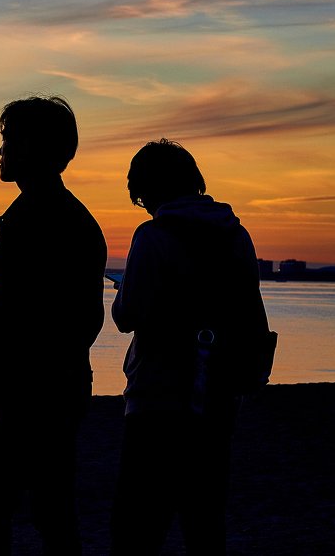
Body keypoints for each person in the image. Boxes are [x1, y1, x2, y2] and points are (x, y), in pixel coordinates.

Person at [110, 139, 269, 555]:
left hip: (157, 398)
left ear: (146, 188)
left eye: (140, 194)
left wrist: (125, 289)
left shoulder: (153, 236)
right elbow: (249, 307)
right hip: (219, 394)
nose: (142, 205)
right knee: (205, 517)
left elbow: (127, 315)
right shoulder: (236, 235)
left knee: (138, 524)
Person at [0, 96, 107, 554]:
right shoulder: (69, 216)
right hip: (57, 387)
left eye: (8, 142)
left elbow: (13, 314)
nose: (0, 152)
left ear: (33, 147)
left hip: (29, 392)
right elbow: (84, 318)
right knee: (51, 511)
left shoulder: (38, 219)